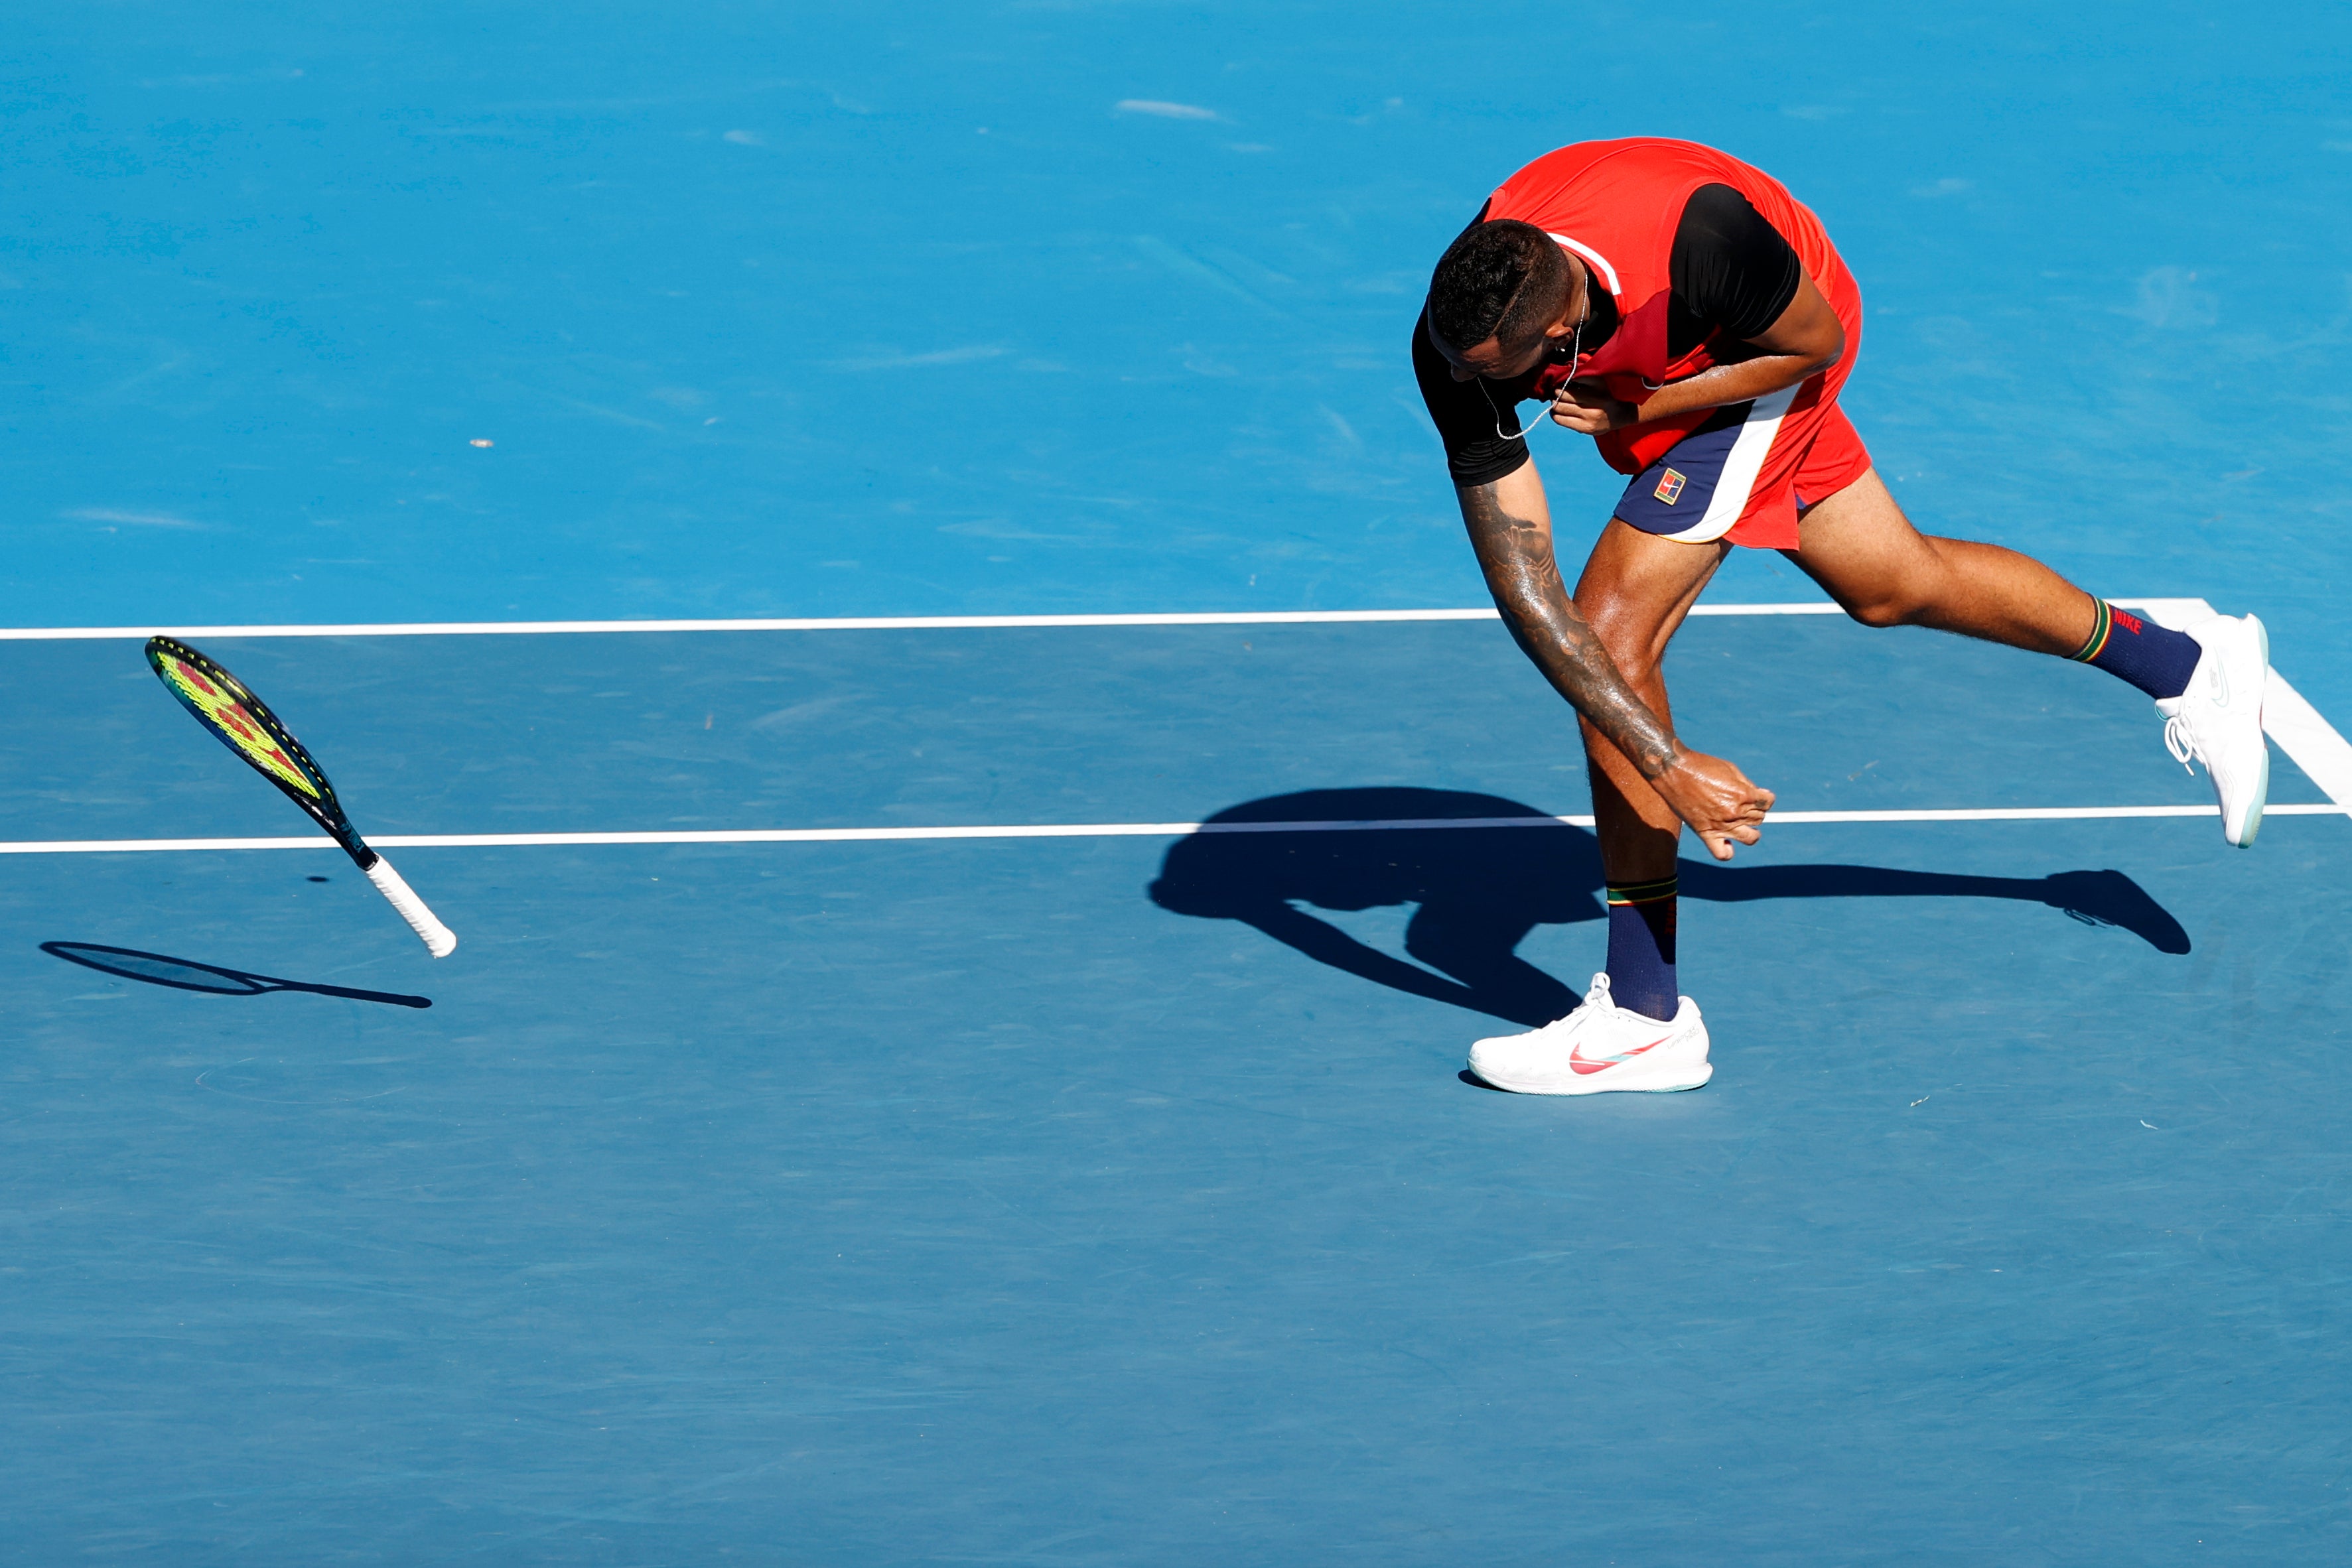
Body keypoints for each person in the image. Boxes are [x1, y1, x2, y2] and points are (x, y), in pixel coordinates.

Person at [1412, 137, 2270, 1096]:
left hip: (1773, 338)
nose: (1491, 393)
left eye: (1521, 375)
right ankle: (2188, 667)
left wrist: (1648, 408)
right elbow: (1522, 582)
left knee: (1613, 636)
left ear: (1566, 325)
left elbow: (1808, 343)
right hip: (1671, 354)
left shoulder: (1702, 243)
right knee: (1889, 586)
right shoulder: (1462, 347)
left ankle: (1643, 1016)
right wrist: (1660, 755)